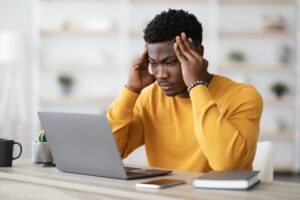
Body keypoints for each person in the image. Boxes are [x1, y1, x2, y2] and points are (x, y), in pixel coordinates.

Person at [107, 9, 263, 172]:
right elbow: (111, 152)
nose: (160, 74)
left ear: (198, 54)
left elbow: (226, 165)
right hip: (166, 195)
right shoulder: (150, 99)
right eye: (153, 63)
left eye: (170, 62)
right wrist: (131, 90)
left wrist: (196, 86)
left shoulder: (242, 96)